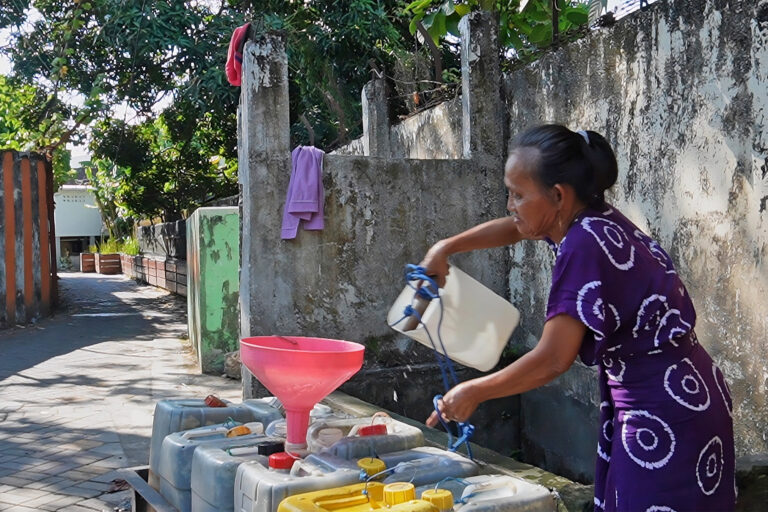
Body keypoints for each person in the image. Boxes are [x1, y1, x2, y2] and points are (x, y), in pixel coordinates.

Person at [421, 124, 735, 511]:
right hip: (689, 392)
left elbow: (554, 358)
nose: (509, 205)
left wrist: (476, 391)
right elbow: (517, 229)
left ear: (557, 195)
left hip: (663, 411)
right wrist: (446, 248)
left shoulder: (582, 246)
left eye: (518, 194)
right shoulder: (593, 218)